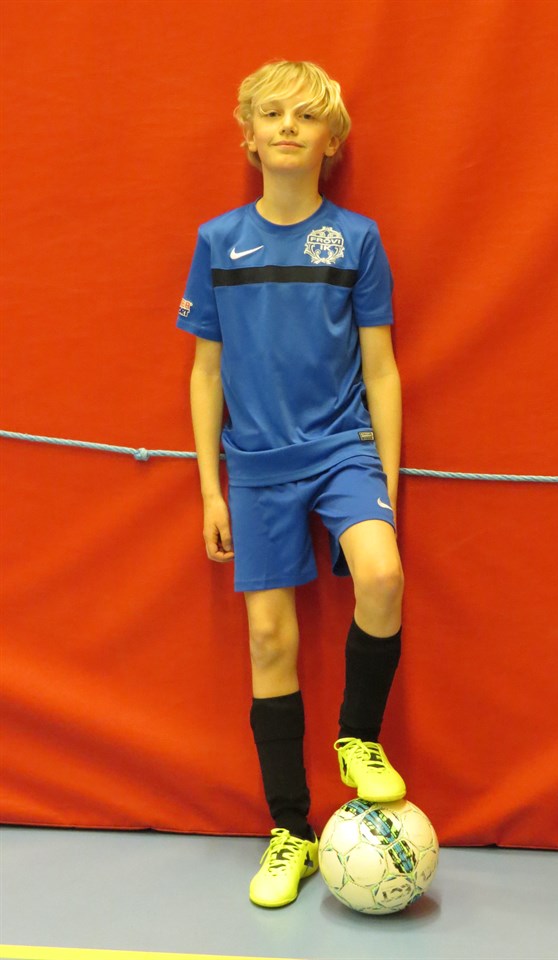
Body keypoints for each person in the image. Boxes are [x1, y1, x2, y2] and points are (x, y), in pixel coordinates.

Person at [177, 59, 405, 909]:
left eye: (306, 117)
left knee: (381, 574)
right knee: (270, 642)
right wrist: (211, 490)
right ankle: (290, 832)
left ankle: (358, 740)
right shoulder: (217, 241)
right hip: (256, 466)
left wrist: (385, 483)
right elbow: (206, 374)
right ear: (248, 135)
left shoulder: (357, 240)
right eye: (271, 114)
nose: (286, 127)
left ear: (330, 142)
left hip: (344, 449)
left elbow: (381, 370)